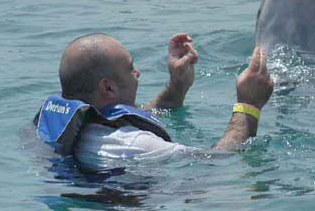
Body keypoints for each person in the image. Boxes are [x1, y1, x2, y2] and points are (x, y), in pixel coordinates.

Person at [35, 32, 273, 170]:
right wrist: (249, 105)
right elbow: (215, 162)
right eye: (130, 68)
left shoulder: (60, 121)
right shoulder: (132, 144)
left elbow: (119, 118)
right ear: (108, 87)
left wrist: (176, 86)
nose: (137, 73)